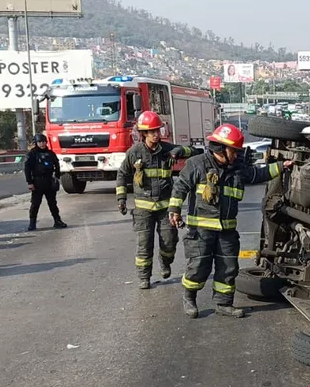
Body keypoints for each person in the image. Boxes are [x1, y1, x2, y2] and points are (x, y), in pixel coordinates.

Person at [168, 123, 292, 317]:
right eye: (233, 151)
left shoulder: (237, 169)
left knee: (228, 267)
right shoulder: (196, 164)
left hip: (227, 231)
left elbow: (257, 174)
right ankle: (189, 298)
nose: (236, 155)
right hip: (200, 231)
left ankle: (224, 304)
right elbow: (180, 187)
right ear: (220, 148)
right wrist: (174, 210)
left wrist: (280, 167)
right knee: (199, 267)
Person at [117, 111, 197, 288]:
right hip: (143, 209)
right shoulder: (134, 152)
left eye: (157, 130)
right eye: (151, 131)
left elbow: (195, 152)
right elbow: (122, 174)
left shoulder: (167, 149)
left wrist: (179, 150)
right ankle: (144, 277)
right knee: (144, 245)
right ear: (143, 133)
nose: (155, 134)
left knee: (169, 241)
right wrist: (121, 198)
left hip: (165, 208)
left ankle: (165, 261)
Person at [23, 134, 67, 231]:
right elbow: (27, 169)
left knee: (52, 203)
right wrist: (30, 182)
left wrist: (57, 177)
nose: (42, 144)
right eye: (40, 142)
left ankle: (57, 221)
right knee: (35, 204)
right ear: (36, 143)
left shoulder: (50, 153)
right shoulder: (32, 154)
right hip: (37, 182)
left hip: (49, 182)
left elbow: (57, 165)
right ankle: (32, 223)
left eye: (43, 142)